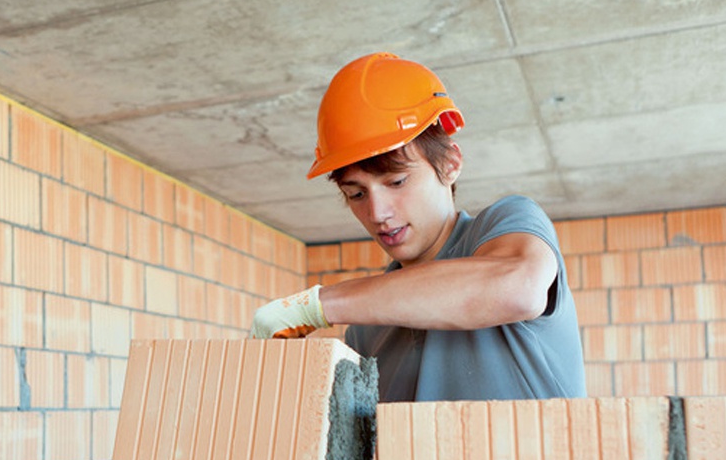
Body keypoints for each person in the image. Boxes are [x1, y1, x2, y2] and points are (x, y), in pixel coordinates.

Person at [251, 52, 587, 403]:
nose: (377, 212)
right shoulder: (366, 329)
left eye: (396, 182)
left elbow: (520, 287)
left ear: (451, 164)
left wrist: (315, 305)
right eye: (356, 193)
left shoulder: (507, 224)